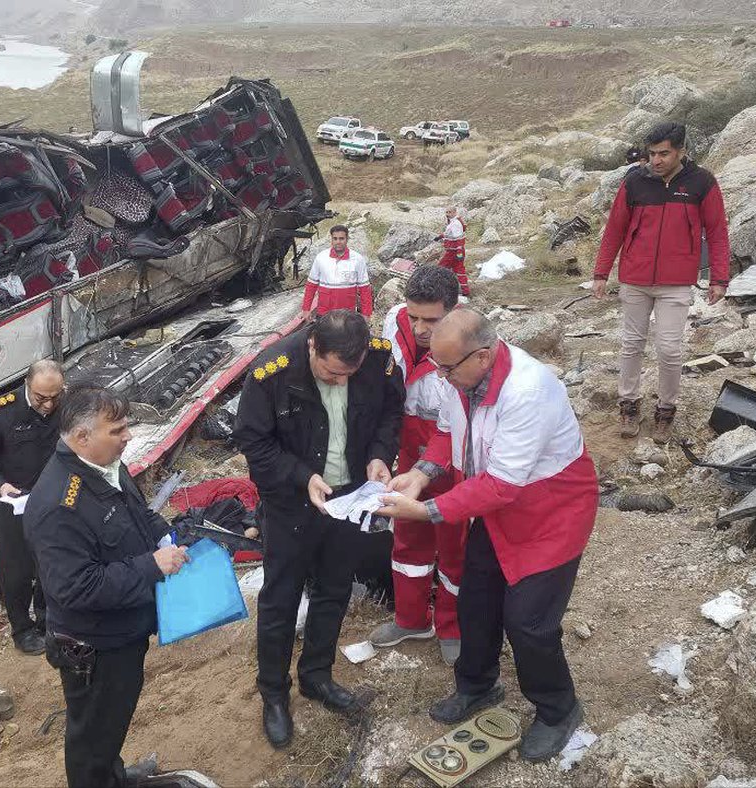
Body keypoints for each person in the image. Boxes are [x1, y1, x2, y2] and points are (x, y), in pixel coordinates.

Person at [377, 309, 598, 763]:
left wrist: (425, 510)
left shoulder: (529, 390)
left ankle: (559, 709)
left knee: (528, 621)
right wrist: (420, 475)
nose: (439, 375)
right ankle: (477, 685)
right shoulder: (460, 378)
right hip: (496, 509)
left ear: (482, 355)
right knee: (475, 598)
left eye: (447, 368)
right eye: (435, 364)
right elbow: (444, 433)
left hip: (550, 512)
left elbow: (501, 484)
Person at [233, 310, 404, 749]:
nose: (341, 382)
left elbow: (390, 410)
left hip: (350, 497)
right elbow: (253, 441)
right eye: (331, 373)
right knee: (281, 597)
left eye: (349, 373)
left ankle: (317, 677)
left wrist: (381, 454)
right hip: (292, 501)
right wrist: (299, 476)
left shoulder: (379, 362)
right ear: (312, 346)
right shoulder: (272, 371)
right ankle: (274, 693)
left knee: (335, 587)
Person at [25, 386, 188, 788]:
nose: (128, 436)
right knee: (92, 737)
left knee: (111, 722)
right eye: (117, 430)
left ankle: (112, 777)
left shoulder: (105, 466)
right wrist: (150, 566)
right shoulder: (58, 505)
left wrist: (164, 535)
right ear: (82, 437)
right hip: (95, 646)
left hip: (123, 629)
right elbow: (76, 588)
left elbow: (137, 514)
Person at [592, 121, 732, 441]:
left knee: (669, 349)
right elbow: (615, 229)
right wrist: (601, 273)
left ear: (681, 151)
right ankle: (628, 405)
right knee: (631, 344)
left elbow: (717, 232)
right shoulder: (634, 182)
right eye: (652, 154)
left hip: (676, 283)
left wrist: (718, 278)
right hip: (635, 279)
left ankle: (665, 411)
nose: (656, 161)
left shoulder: (702, 183)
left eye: (663, 154)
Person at [367, 265, 466, 666]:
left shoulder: (470, 344)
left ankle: (452, 625)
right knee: (406, 534)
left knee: (454, 544)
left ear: (454, 314)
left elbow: (454, 426)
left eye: (432, 320)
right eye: (415, 317)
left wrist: (428, 470)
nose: (421, 328)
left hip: (455, 457)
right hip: (408, 447)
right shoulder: (394, 322)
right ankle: (411, 619)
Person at [0, 359, 66, 655]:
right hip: (13, 502)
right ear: (27, 386)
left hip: (55, 498)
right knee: (16, 570)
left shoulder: (68, 405)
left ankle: (48, 620)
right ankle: (22, 629)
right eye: (41, 398)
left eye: (54, 397)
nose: (48, 405)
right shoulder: (1, 413)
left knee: (54, 560)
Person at [300, 224, 372, 321]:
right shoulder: (321, 258)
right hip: (324, 313)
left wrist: (366, 313)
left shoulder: (358, 259)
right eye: (335, 238)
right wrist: (306, 309)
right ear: (331, 239)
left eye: (341, 238)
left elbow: (365, 290)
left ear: (347, 239)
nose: (338, 242)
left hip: (348, 315)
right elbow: (311, 286)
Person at [436, 206, 471, 298]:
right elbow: (449, 233)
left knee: (441, 268)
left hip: (453, 252)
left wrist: (459, 252)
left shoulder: (455, 223)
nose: (447, 214)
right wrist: (440, 236)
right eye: (446, 212)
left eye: (449, 212)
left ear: (455, 212)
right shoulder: (453, 222)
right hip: (454, 251)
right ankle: (465, 290)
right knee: (459, 270)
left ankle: (439, 288)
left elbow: (458, 238)